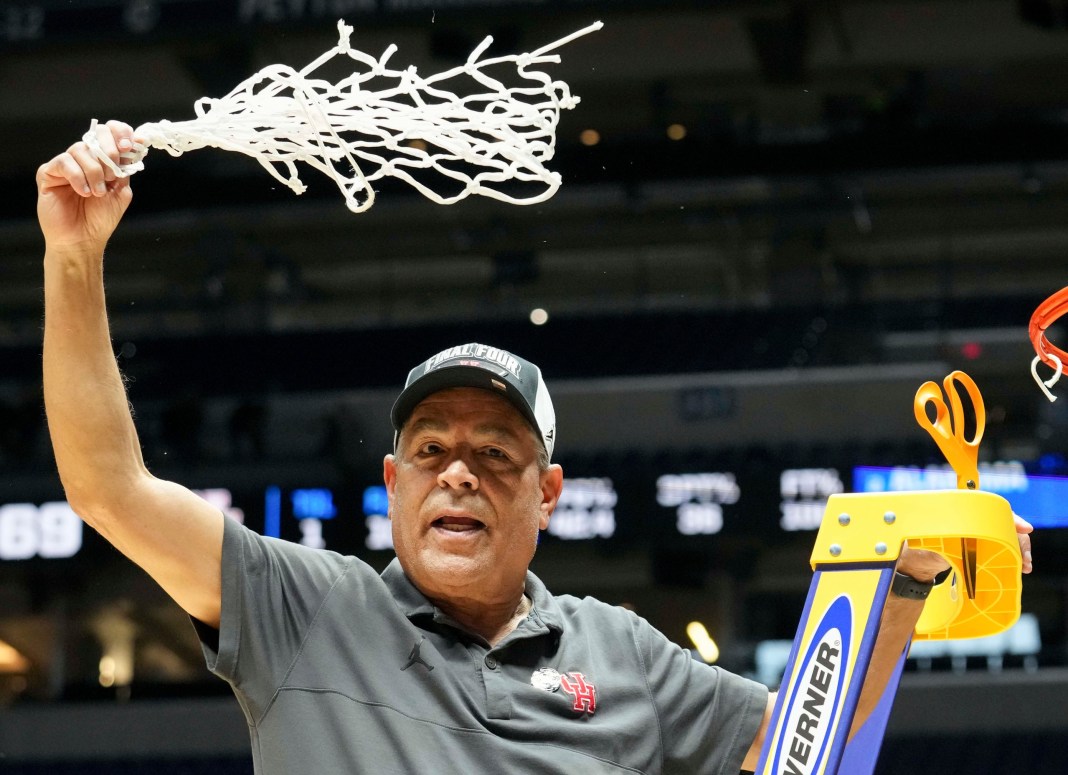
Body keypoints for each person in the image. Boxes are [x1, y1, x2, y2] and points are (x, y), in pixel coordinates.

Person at [37, 121, 1034, 774]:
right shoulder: (307, 608)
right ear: (393, 482)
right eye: (430, 449)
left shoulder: (624, 654)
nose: (459, 469)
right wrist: (75, 262)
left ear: (548, 492)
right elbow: (106, 487)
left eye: (495, 453)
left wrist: (903, 585)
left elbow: (805, 747)